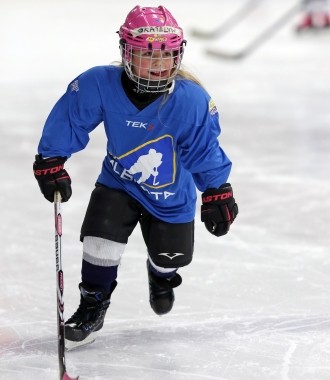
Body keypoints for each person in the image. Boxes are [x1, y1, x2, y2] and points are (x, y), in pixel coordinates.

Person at [33, 5, 238, 344]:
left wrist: (218, 191)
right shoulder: (99, 84)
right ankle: (92, 304)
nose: (159, 65)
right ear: (126, 52)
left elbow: (204, 149)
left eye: (167, 56)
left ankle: (160, 275)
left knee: (171, 258)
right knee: (101, 241)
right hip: (120, 182)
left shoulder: (191, 101)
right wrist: (51, 159)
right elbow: (72, 118)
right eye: (148, 55)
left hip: (172, 196)